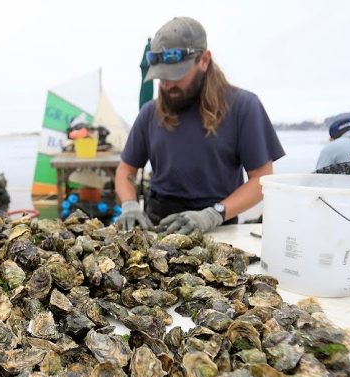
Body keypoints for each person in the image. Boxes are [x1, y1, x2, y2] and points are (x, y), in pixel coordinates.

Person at [114, 17, 285, 235]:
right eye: (162, 77)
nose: (167, 85)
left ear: (204, 60)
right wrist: (129, 204)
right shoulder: (150, 112)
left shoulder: (243, 107)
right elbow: (125, 171)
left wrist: (212, 215)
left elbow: (262, 180)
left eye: (176, 74)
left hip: (218, 225)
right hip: (159, 223)